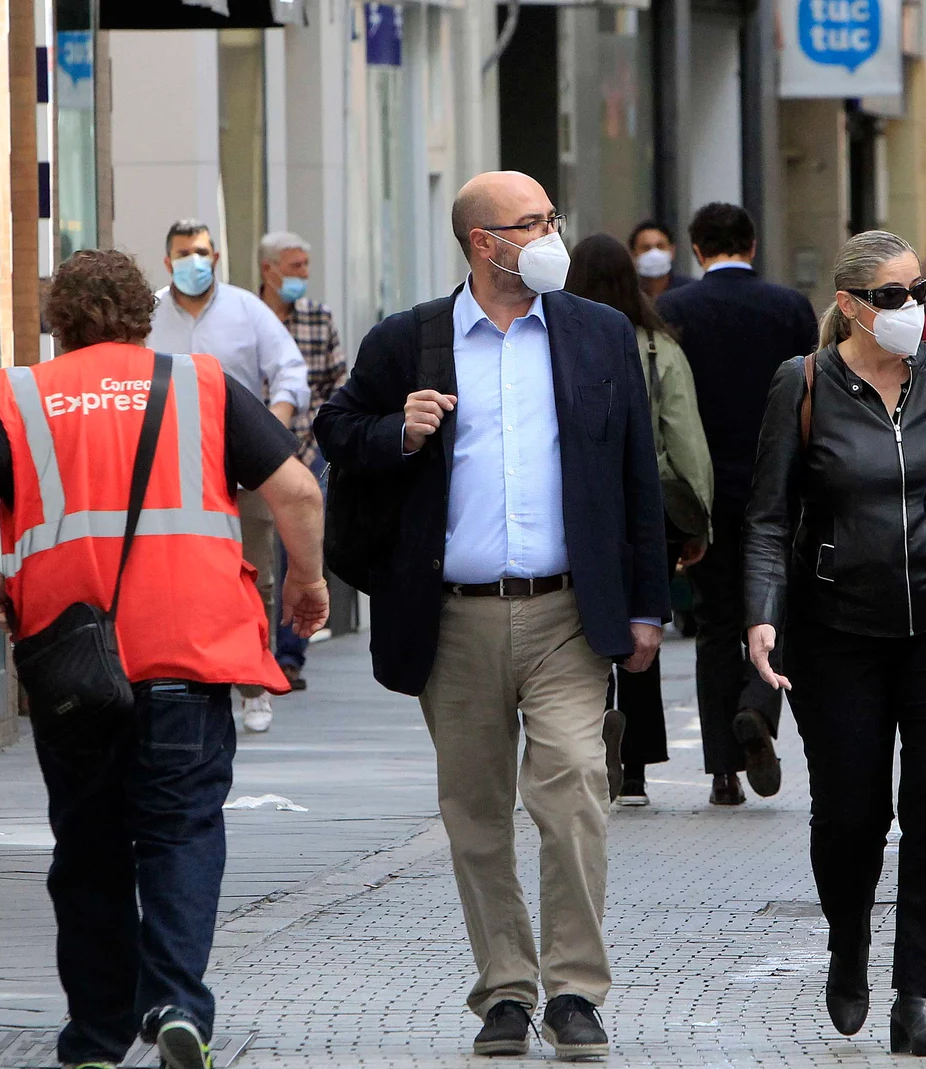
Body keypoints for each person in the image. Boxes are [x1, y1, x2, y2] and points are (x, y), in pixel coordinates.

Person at [0, 249, 327, 1069]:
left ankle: (94, 1039)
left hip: (74, 661)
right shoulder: (202, 384)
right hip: (185, 652)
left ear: (59, 320)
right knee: (180, 831)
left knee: (88, 848)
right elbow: (296, 491)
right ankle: (177, 1002)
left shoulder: (24, 395)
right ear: (144, 318)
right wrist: (308, 586)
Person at [314, 171, 667, 1060]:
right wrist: (398, 428)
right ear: (484, 244)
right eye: (532, 223)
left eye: (553, 216)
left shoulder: (597, 333)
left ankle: (576, 988)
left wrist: (649, 606)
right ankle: (505, 990)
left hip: (565, 612)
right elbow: (337, 428)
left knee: (576, 787)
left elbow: (635, 472)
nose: (552, 233)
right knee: (475, 810)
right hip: (454, 617)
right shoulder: (411, 341)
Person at [745, 231, 926, 1056]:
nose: (911, 308)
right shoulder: (803, 382)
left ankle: (918, 992)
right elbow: (769, 516)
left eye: (917, 290)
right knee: (853, 816)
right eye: (891, 296)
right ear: (849, 305)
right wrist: (761, 611)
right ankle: (848, 940)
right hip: (838, 628)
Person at [656, 202, 819, 806]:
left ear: (696, 250)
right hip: (778, 488)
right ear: (752, 245)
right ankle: (757, 707)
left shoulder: (674, 310)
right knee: (772, 611)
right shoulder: (789, 309)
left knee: (716, 623)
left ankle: (723, 773)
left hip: (706, 492)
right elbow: (812, 393)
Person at [566, 233, 714, 806]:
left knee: (576, 625)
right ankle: (635, 766)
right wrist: (700, 518)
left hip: (577, 507)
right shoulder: (656, 346)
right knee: (640, 623)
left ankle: (586, 729)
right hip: (642, 504)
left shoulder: (559, 341)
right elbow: (685, 438)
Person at [146, 219, 309, 732]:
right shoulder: (147, 313)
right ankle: (185, 679)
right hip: (169, 468)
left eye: (202, 251)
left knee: (253, 574)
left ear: (215, 257)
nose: (195, 260)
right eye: (183, 252)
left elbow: (290, 369)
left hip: (242, 465)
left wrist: (272, 425)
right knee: (175, 574)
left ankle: (253, 685)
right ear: (168, 261)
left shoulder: (246, 309)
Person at [257, 230, 347, 692]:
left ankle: (289, 657)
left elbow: (338, 382)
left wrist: (329, 438)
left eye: (306, 267)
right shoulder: (247, 318)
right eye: (295, 267)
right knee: (254, 554)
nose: (303, 276)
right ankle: (255, 650)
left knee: (301, 550)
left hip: (306, 454)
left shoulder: (319, 318)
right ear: (269, 270)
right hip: (250, 457)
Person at [628, 219, 693, 300]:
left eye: (660, 246)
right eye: (646, 248)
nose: (654, 253)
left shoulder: (691, 291)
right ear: (633, 254)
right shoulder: (627, 293)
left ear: (672, 251)